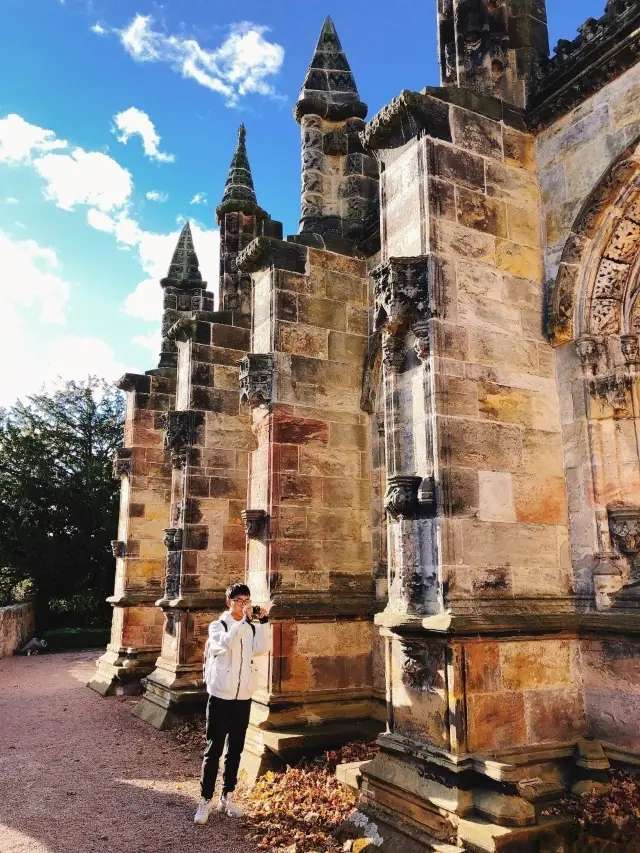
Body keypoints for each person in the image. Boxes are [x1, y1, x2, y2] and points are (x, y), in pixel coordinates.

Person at [194, 582, 270, 825]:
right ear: (229, 603)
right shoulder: (219, 625)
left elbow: (261, 649)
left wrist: (263, 622)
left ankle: (227, 796)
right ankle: (205, 799)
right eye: (239, 600)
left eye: (246, 600)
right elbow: (225, 643)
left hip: (242, 696)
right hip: (220, 696)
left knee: (235, 749)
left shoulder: (248, 627)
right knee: (213, 749)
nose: (243, 604)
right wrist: (243, 622)